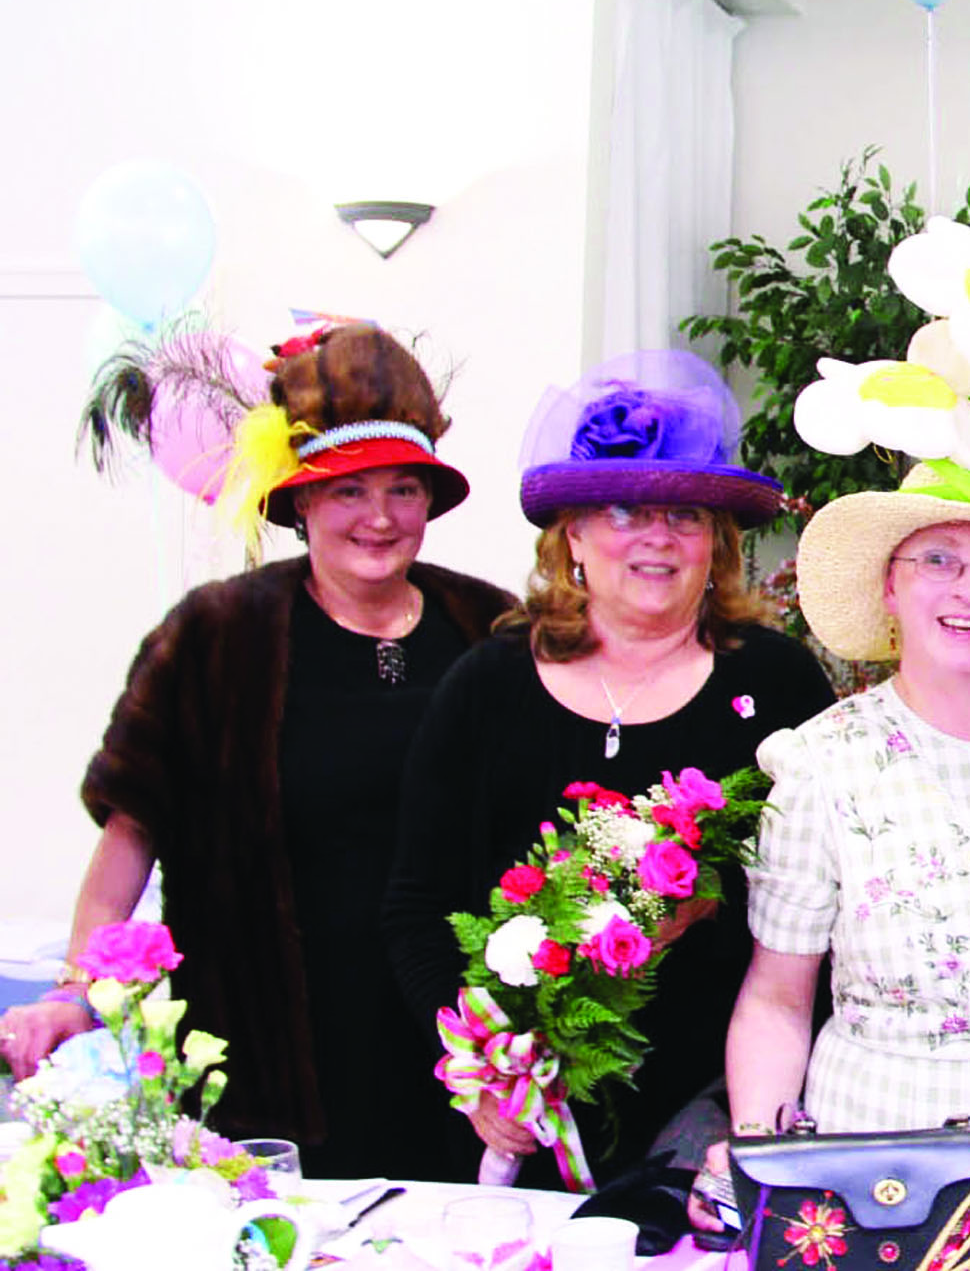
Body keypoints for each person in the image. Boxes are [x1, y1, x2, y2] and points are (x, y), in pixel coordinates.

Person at [0, 324, 516, 1179]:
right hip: (268, 1044)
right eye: (349, 490)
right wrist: (76, 990)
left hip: (462, 1049)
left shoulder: (491, 628)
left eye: (404, 488)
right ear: (301, 503)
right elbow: (132, 831)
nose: (380, 517)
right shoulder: (216, 635)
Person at [384, 350, 833, 1184]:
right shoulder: (487, 685)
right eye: (626, 510)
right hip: (528, 1123)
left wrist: (765, 1114)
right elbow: (417, 907)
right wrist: (480, 1065)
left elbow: (830, 913)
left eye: (687, 515)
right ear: (575, 537)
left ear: (716, 544)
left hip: (723, 1121)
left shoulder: (778, 683)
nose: (658, 536)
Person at [690, 438, 970, 1269]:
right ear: (890, 586)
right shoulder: (821, 761)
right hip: (880, 1166)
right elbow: (778, 999)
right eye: (937, 559)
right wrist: (760, 1160)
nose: (968, 588)